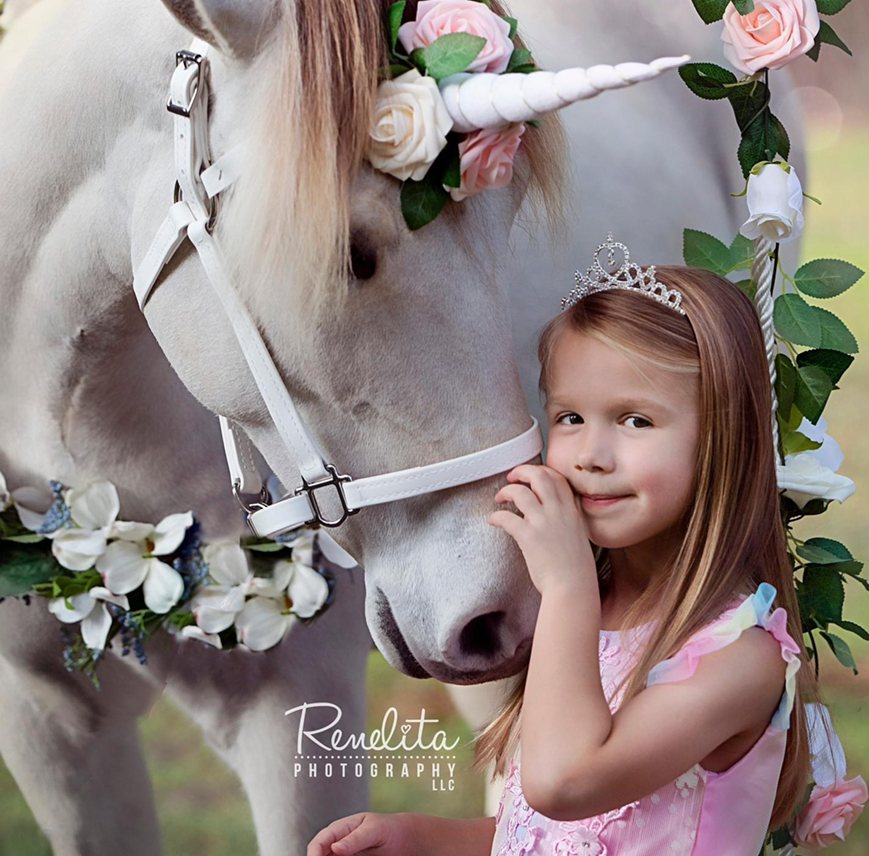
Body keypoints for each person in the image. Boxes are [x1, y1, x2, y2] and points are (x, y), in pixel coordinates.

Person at [308, 238, 819, 856]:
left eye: (635, 420)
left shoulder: (738, 656)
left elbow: (565, 783)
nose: (590, 456)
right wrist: (420, 839)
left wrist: (567, 585)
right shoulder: (587, 610)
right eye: (570, 417)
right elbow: (550, 837)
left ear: (723, 439)